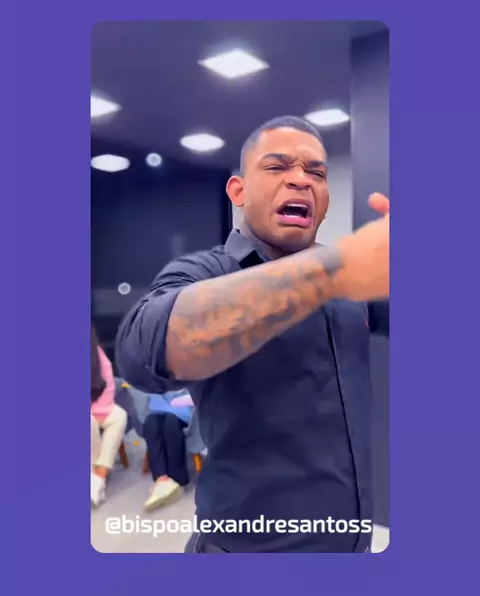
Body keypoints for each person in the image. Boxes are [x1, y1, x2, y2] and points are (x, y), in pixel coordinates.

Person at [116, 116, 389, 553]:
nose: (300, 180)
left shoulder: (354, 281)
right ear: (238, 191)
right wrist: (334, 271)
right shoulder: (206, 272)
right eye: (277, 167)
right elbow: (143, 353)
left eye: (316, 172)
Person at [91, 327, 128, 506]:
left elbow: (108, 385)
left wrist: (100, 410)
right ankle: (91, 474)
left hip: (99, 405)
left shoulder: (96, 353)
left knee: (119, 416)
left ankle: (99, 477)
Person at [143, 390, 194, 510]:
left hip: (186, 413)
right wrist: (171, 405)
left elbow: (193, 398)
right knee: (151, 422)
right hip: (163, 410)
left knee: (171, 422)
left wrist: (172, 405)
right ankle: (162, 479)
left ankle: (178, 480)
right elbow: (154, 400)